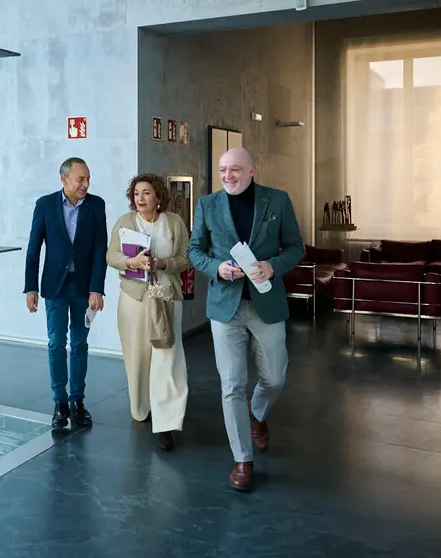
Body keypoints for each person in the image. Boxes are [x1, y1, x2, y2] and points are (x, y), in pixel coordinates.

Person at [187, 148, 304, 491]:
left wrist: (274, 266)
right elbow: (195, 250)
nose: (228, 176)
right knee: (231, 385)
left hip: (266, 304)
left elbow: (296, 248)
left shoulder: (277, 201)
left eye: (235, 169)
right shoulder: (208, 204)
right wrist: (217, 268)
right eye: (223, 170)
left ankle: (258, 413)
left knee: (275, 378)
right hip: (225, 307)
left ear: (253, 170)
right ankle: (242, 459)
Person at [105, 173, 190, 450]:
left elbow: (186, 257)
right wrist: (131, 261)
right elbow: (111, 256)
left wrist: (163, 263)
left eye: (146, 193)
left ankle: (166, 423)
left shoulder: (174, 222)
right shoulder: (125, 222)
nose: (140, 199)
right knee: (137, 357)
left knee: (168, 356)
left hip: (166, 297)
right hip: (134, 299)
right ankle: (142, 408)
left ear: (158, 197)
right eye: (137, 194)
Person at [24, 157, 108, 430]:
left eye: (88, 179)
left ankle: (77, 400)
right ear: (64, 179)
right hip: (55, 287)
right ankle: (60, 401)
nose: (85, 184)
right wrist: (31, 287)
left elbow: (100, 250)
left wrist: (97, 288)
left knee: (80, 344)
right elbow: (34, 247)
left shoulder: (96, 205)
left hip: (84, 288)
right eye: (80, 179)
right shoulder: (45, 205)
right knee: (56, 343)